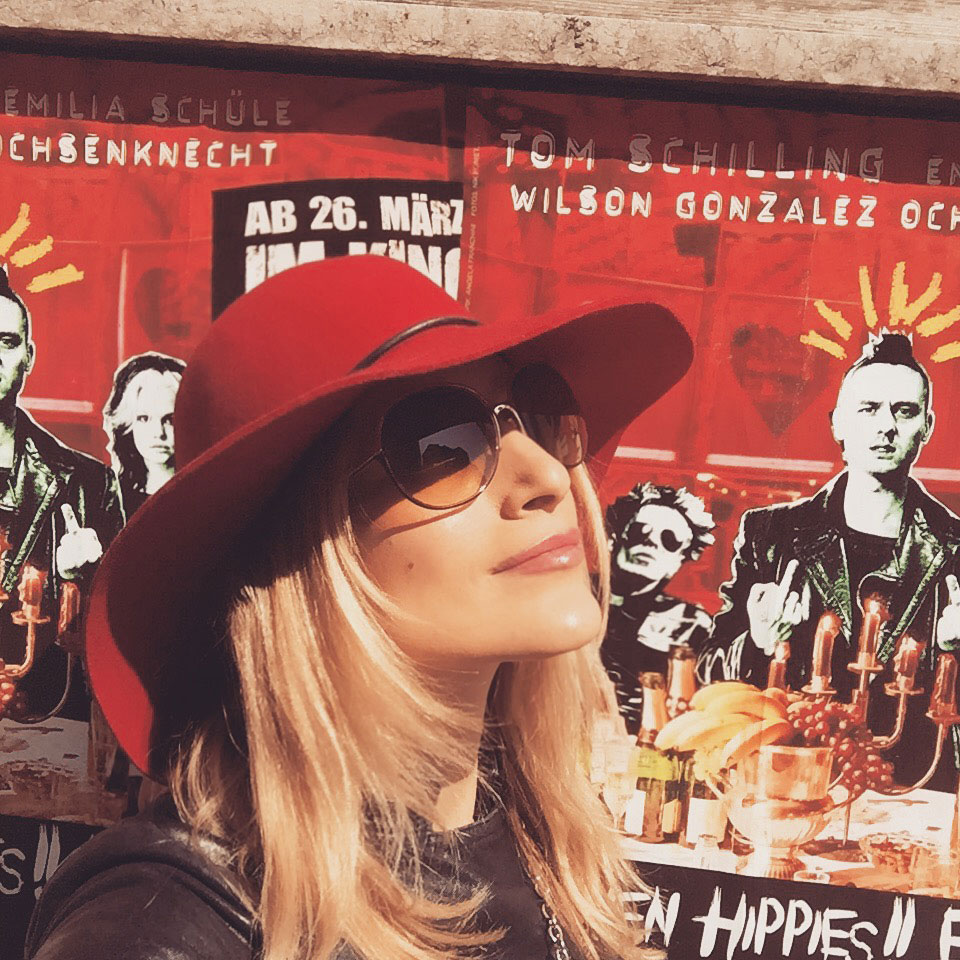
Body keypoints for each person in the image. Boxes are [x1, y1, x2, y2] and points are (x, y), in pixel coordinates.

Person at [25, 255, 693, 960]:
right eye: (442, 446)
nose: (550, 474)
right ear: (296, 555)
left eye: (540, 413)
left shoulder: (544, 834)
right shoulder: (166, 922)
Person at [699, 331, 960, 788]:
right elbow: (710, 675)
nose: (886, 426)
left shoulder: (954, 546)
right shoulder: (773, 534)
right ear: (837, 423)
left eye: (904, 411)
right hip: (791, 777)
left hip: (915, 789)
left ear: (927, 426)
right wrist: (757, 640)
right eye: (869, 409)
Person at [0, 271, 123, 723]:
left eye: (5, 342)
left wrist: (85, 580)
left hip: (43, 732)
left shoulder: (87, 484)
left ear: (28, 357)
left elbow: (122, 641)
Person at [601, 483, 714, 731]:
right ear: (613, 539)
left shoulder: (690, 624)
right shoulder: (572, 597)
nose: (651, 544)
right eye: (640, 532)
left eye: (669, 541)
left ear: (679, 561)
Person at [102, 352, 186, 520]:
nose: (158, 433)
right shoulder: (110, 500)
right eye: (144, 418)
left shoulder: (207, 495)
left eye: (169, 420)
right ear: (127, 423)